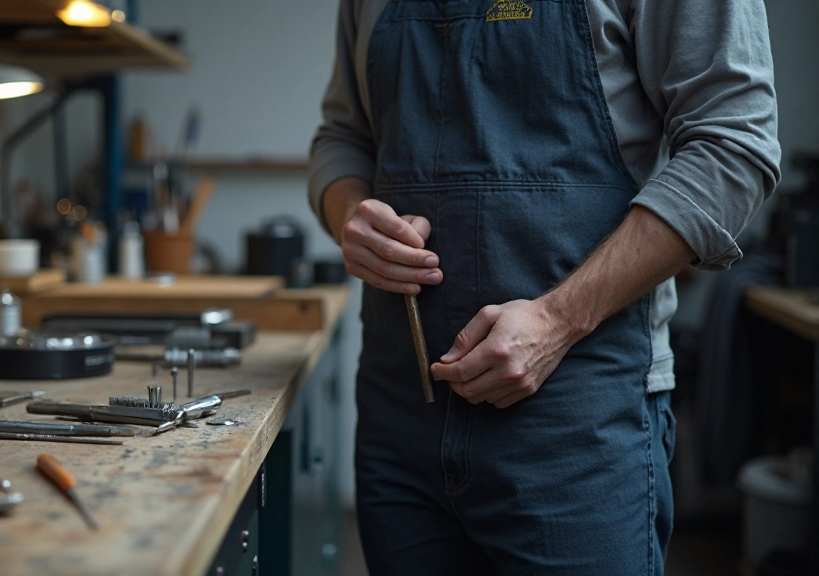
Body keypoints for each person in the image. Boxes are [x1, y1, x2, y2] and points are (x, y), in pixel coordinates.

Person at [307, 0, 781, 574]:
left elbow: (733, 144)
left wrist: (557, 319)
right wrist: (350, 214)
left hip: (579, 426)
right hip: (398, 419)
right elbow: (342, 135)